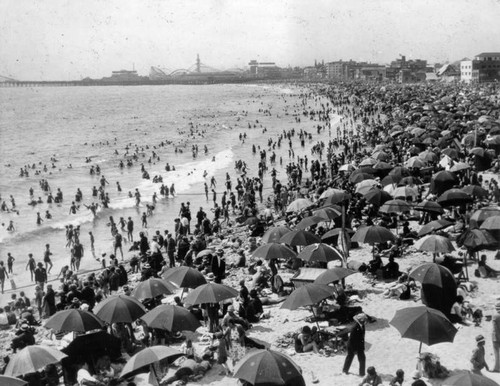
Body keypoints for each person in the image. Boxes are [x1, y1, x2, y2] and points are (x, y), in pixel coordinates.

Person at [492, 302, 500, 372]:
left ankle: (497, 368)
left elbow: (495, 329)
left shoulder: (495, 316)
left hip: (496, 338)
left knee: (497, 353)